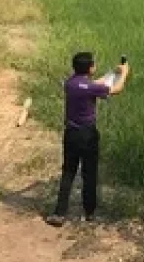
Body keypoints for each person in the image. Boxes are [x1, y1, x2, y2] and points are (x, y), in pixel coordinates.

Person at [45, 52, 129, 227]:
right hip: (88, 135)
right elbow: (116, 89)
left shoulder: (70, 83)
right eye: (94, 64)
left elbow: (90, 84)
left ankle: (59, 213)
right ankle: (89, 212)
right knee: (89, 173)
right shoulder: (90, 88)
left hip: (71, 134)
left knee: (68, 172)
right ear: (90, 68)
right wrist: (124, 73)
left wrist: (112, 73)